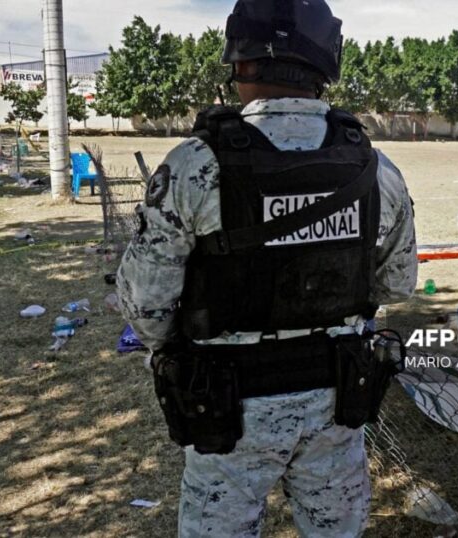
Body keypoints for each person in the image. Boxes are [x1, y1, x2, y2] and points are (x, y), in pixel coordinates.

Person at [116, 1, 418, 536]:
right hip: (337, 398)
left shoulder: (195, 165)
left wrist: (179, 344)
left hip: (226, 407)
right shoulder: (376, 168)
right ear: (325, 66)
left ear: (242, 63)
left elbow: (145, 306)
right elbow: (397, 284)